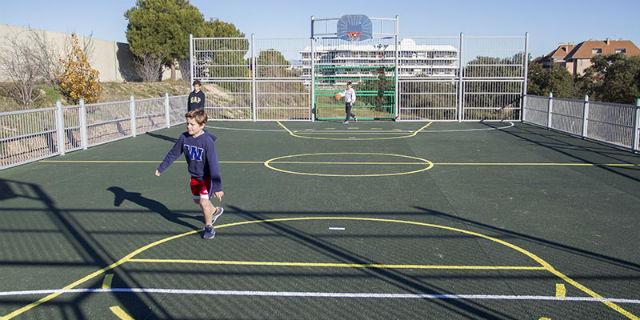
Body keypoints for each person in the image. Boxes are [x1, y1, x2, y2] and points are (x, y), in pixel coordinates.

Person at [155, 109, 224, 239]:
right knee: (197, 201)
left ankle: (209, 227)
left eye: (192, 124)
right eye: (187, 123)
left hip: (206, 177)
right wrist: (162, 167)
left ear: (202, 125)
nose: (189, 127)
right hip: (194, 176)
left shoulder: (207, 141)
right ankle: (215, 211)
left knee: (204, 202)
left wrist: (217, 187)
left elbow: (214, 164)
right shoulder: (184, 138)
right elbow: (173, 153)